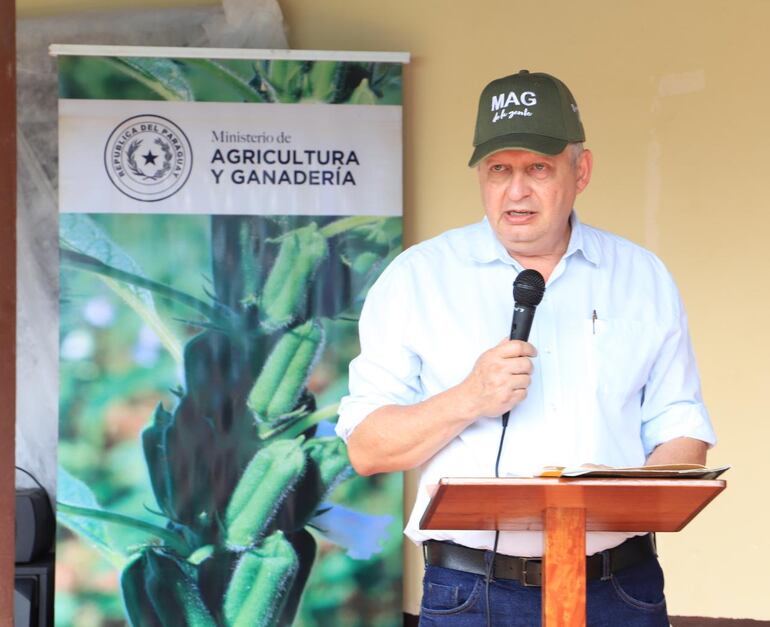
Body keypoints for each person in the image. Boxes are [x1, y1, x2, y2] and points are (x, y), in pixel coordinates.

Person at [335, 70, 716, 626]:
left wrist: (637, 494)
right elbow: (368, 448)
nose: (516, 190)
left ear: (580, 170)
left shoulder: (641, 276)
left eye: (538, 168)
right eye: (499, 170)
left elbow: (680, 425)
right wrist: (468, 397)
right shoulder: (417, 278)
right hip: (472, 593)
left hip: (619, 590)